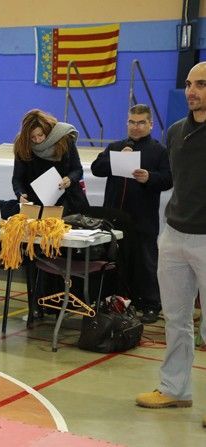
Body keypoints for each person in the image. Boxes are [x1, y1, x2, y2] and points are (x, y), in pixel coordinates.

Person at [135, 62, 206, 429]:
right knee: (176, 319)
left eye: (202, 84)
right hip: (175, 235)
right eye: (190, 84)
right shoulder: (176, 131)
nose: (192, 91)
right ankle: (175, 389)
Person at [91, 104, 172, 324]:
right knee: (115, 261)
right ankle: (115, 302)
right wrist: (115, 159)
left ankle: (151, 305)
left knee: (145, 262)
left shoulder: (158, 150)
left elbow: (168, 179)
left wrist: (150, 178)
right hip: (114, 216)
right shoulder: (116, 147)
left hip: (142, 217)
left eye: (141, 122)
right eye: (132, 122)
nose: (136, 127)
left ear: (150, 124)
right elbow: (96, 168)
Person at [11, 109, 89, 215]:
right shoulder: (23, 145)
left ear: (47, 130)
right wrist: (20, 194)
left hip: (68, 200)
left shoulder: (64, 140)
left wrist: (70, 179)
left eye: (40, 135)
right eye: (32, 137)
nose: (37, 140)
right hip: (36, 203)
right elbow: (17, 178)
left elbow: (77, 169)